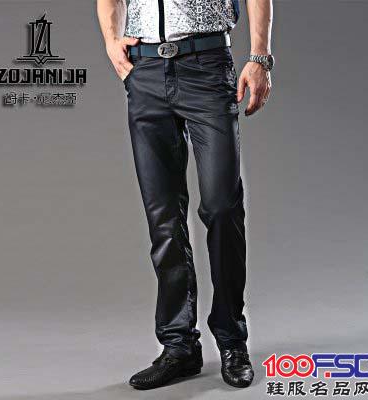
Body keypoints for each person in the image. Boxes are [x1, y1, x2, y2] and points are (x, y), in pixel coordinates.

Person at [97, 0, 274, 390]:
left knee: (222, 206)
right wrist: (111, 40)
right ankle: (179, 346)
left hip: (206, 65)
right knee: (164, 219)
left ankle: (232, 339)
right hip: (144, 72)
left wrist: (259, 56)